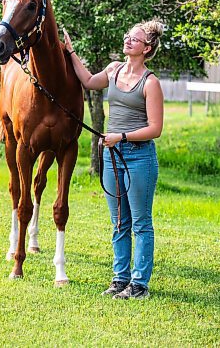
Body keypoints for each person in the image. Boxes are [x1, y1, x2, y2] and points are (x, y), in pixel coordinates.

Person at [63, 20, 164, 299]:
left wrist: (120, 136)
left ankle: (139, 284)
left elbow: (155, 129)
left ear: (147, 47)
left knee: (141, 223)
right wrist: (71, 52)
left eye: (135, 38)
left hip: (139, 157)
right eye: (128, 36)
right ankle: (120, 279)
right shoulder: (113, 69)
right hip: (112, 157)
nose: (128, 40)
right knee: (119, 221)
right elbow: (87, 81)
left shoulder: (150, 82)